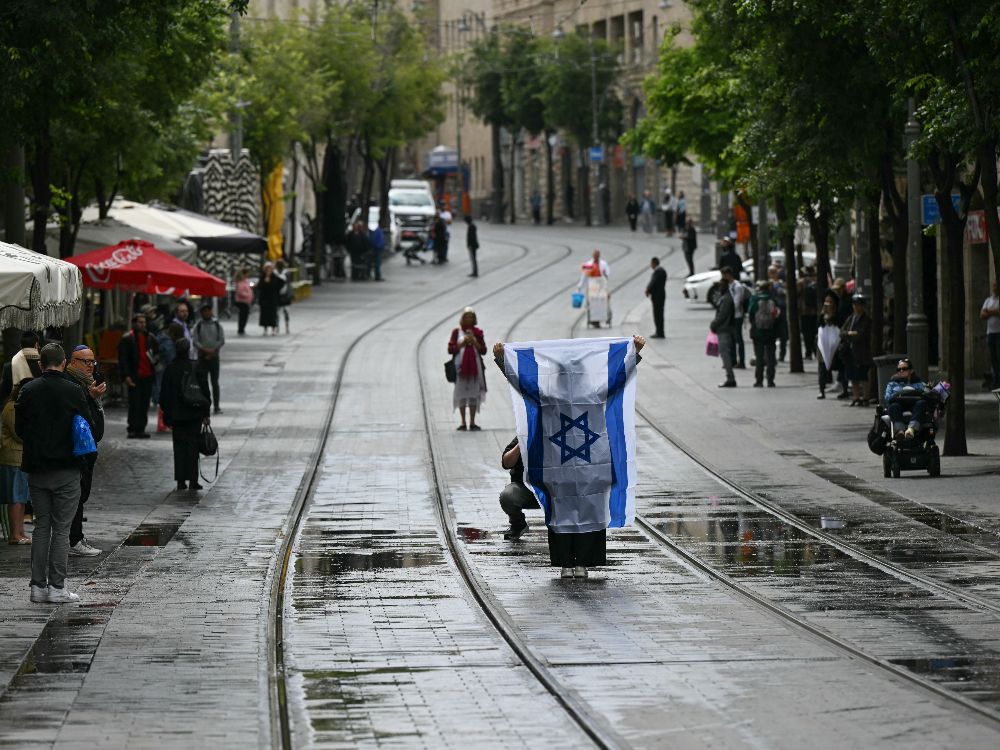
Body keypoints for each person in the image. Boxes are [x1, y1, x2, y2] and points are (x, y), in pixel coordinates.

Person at [491, 336, 646, 578]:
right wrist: (503, 360)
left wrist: (633, 354)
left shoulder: (580, 396)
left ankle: (577, 562)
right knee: (568, 511)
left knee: (582, 510)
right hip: (573, 468)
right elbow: (524, 383)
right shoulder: (556, 398)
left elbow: (617, 379)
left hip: (579, 468)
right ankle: (571, 562)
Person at [16, 343, 95, 603]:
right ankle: (57, 587)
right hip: (66, 468)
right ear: (64, 363)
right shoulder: (74, 391)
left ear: (41, 364)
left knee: (41, 527)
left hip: (37, 468)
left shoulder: (28, 390)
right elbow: (87, 425)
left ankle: (37, 587)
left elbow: (19, 429)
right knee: (61, 529)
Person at [64, 346, 106, 557]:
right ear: (73, 362)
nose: (90, 366)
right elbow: (80, 414)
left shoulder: (87, 382)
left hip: (87, 450)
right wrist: (90, 397)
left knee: (81, 494)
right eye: (85, 362)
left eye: (92, 362)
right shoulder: (71, 384)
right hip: (78, 451)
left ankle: (75, 537)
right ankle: (74, 539)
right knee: (76, 496)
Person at [159, 338, 211, 491]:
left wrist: (167, 413)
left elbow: (163, 395)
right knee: (193, 447)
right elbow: (205, 392)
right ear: (188, 350)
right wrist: (206, 414)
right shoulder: (196, 367)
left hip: (177, 416)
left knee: (179, 447)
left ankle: (181, 481)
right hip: (194, 414)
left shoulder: (170, 369)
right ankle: (193, 480)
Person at [117, 312, 159, 439]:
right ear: (134, 323)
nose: (143, 325)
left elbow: (157, 353)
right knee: (134, 403)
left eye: (144, 322)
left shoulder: (150, 338)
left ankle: (141, 428)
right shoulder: (127, 338)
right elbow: (123, 359)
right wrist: (126, 375)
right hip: (135, 376)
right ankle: (132, 428)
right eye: (140, 322)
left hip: (147, 376)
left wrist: (155, 362)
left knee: (144, 404)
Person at [448, 308, 487, 431]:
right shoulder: (457, 332)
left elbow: (483, 350)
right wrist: (462, 343)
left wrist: (474, 341)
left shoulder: (478, 332)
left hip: (475, 368)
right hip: (460, 368)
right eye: (466, 317)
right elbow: (450, 349)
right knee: (461, 394)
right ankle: (463, 422)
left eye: (471, 317)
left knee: (474, 394)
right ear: (462, 318)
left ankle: (473, 422)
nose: (469, 319)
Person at [1, 381, 30, 545]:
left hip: (21, 457)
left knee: (22, 496)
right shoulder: (12, 408)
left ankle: (20, 531)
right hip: (13, 458)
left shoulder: (18, 406)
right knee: (16, 497)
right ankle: (15, 534)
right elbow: (19, 433)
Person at [497, 436, 540, 540]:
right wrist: (521, 442)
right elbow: (506, 463)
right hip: (527, 489)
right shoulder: (525, 434)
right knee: (508, 495)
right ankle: (518, 524)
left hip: (556, 490)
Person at [192, 303, 225, 414]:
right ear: (201, 313)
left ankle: (216, 406)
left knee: (215, 382)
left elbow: (221, 340)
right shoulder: (198, 326)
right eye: (204, 311)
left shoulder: (217, 325)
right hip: (202, 358)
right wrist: (204, 350)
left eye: (208, 310)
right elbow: (195, 340)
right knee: (202, 383)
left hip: (214, 357)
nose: (207, 313)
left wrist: (213, 350)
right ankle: (204, 405)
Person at [884, 358, 929, 440]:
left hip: (914, 404)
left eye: (904, 369)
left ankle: (911, 429)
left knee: (922, 403)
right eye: (899, 369)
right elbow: (887, 397)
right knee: (893, 406)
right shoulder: (892, 384)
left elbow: (926, 393)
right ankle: (900, 431)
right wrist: (900, 393)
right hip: (898, 405)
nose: (901, 371)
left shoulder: (919, 384)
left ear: (911, 371)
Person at [841, 293, 873, 406]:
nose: (856, 307)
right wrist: (850, 333)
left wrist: (850, 334)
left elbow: (861, 335)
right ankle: (856, 397)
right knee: (852, 375)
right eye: (854, 304)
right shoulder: (851, 318)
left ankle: (866, 397)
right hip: (850, 352)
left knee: (863, 375)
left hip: (862, 352)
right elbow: (842, 332)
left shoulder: (866, 319)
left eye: (858, 304)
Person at [747, 280, 779, 387]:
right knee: (771, 357)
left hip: (758, 332)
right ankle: (770, 380)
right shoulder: (773, 299)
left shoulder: (755, 299)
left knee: (759, 357)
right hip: (771, 332)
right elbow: (777, 315)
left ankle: (759, 380)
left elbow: (751, 314)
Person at [711, 275, 738, 387]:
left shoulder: (726, 299)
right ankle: (730, 377)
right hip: (725, 328)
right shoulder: (726, 297)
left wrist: (714, 324)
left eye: (721, 286)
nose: (719, 288)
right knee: (725, 353)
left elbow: (722, 315)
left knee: (725, 354)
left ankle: (730, 378)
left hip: (724, 329)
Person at [722, 266, 749, 369]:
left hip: (737, 316)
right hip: (730, 316)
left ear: (728, 275)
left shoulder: (737, 286)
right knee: (731, 339)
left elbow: (737, 302)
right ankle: (732, 360)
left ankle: (741, 361)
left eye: (724, 275)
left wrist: (728, 310)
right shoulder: (727, 285)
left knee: (738, 338)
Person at [577, 250, 611, 328]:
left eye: (597, 255)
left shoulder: (603, 263)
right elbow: (584, 276)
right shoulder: (588, 264)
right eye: (595, 255)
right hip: (592, 285)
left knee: (602, 300)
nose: (596, 257)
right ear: (593, 256)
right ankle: (594, 320)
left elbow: (607, 274)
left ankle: (602, 317)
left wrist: (605, 278)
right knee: (593, 301)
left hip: (601, 284)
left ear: (599, 256)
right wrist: (580, 286)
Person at [816, 295, 839, 399]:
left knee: (838, 366)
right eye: (826, 301)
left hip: (834, 344)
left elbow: (837, 324)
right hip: (823, 345)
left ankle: (843, 388)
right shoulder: (822, 315)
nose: (827, 304)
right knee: (822, 368)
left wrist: (831, 314)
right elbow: (819, 325)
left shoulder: (837, 315)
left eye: (830, 302)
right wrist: (823, 313)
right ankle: (821, 390)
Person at [767, 265, 789, 362]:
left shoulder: (781, 284)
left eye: (774, 272)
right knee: (772, 334)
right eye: (771, 272)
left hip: (781, 310)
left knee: (783, 334)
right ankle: (772, 355)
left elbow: (784, 294)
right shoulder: (767, 284)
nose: (773, 274)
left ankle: (782, 354)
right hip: (772, 311)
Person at [981, 280, 1000, 389]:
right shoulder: (988, 300)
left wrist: (988, 311)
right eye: (993, 286)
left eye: (996, 286)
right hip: (990, 333)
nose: (994, 288)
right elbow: (982, 315)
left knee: (998, 357)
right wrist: (994, 311)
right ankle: (995, 380)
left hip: (999, 333)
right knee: (993, 359)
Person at [257, 261, 285, 336]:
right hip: (264, 299)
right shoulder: (262, 277)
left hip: (272, 299)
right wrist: (265, 281)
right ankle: (265, 329)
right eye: (267, 268)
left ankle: (273, 329)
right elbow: (259, 287)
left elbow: (281, 283)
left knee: (273, 314)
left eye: (270, 268)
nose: (268, 270)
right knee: (264, 315)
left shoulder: (274, 277)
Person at [798, 265, 819, 360]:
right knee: (814, 332)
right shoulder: (817, 282)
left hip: (804, 311)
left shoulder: (801, 282)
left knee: (806, 333)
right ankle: (815, 351)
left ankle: (808, 352)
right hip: (815, 311)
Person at [645, 257, 667, 339]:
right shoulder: (661, 271)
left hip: (658, 297)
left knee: (658, 315)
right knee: (658, 314)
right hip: (659, 296)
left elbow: (653, 282)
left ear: (654, 263)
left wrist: (647, 290)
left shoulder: (659, 271)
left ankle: (660, 332)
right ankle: (659, 331)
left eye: (651, 263)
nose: (650, 265)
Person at [275, 259, 294, 329]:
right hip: (277, 294)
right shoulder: (275, 273)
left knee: (286, 311)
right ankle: (278, 326)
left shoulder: (286, 273)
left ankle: (286, 326)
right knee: (277, 312)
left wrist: (290, 293)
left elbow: (289, 284)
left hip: (285, 294)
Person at [234, 267, 253, 336]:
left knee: (244, 316)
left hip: (246, 301)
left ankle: (242, 329)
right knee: (243, 316)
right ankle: (241, 329)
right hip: (242, 301)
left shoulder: (245, 281)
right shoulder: (240, 282)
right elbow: (240, 292)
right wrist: (248, 295)